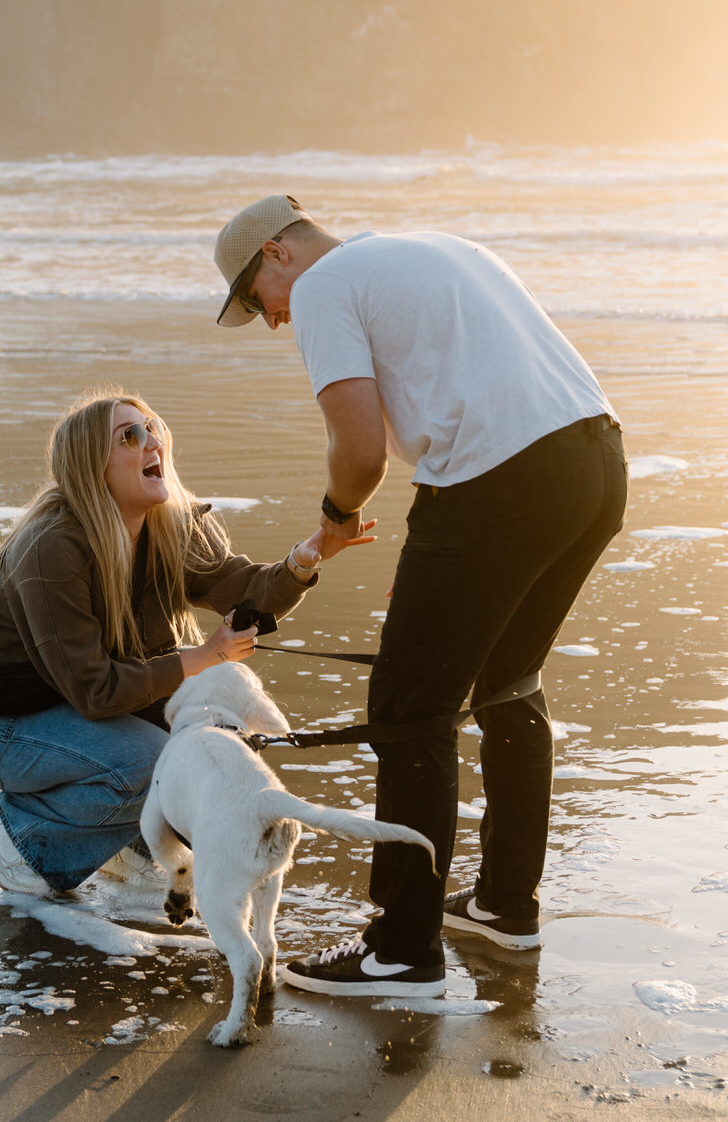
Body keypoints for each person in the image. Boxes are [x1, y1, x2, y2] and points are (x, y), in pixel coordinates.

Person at [213, 195, 627, 999]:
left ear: (276, 255)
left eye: (256, 301)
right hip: (596, 463)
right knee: (510, 683)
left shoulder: (325, 286)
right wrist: (437, 551)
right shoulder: (434, 246)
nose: (269, 322)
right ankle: (507, 905)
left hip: (499, 485)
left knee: (409, 706)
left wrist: (336, 517)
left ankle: (402, 950)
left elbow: (361, 451)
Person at [0, 389, 373, 898]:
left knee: (215, 731)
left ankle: (133, 843)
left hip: (77, 701)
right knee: (154, 763)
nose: (152, 443)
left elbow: (246, 590)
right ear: (90, 467)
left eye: (153, 428)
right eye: (129, 435)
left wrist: (307, 557)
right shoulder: (51, 546)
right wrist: (205, 655)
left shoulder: (169, 525)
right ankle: (24, 837)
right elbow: (95, 692)